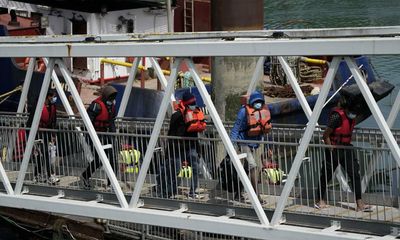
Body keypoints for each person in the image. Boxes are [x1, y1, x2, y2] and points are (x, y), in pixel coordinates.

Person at [315, 97, 372, 212]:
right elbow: (325, 135)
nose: (353, 114)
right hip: (334, 149)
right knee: (326, 175)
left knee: (355, 174)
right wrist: (331, 148)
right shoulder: (336, 116)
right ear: (346, 108)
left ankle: (359, 203)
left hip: (346, 148)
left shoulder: (353, 116)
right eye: (351, 111)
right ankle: (319, 199)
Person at [160, 91, 206, 198]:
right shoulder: (176, 116)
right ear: (185, 104)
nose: (193, 105)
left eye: (194, 103)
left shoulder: (195, 114)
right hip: (177, 147)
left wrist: (198, 150)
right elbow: (171, 133)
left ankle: (192, 191)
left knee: (195, 168)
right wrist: (168, 151)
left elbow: (195, 134)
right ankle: (169, 191)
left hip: (191, 146)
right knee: (175, 169)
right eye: (191, 103)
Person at [230, 90, 272, 201]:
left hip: (254, 143)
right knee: (253, 166)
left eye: (260, 102)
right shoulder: (243, 112)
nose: (258, 104)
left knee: (246, 169)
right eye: (256, 102)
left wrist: (268, 148)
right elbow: (236, 128)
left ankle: (238, 194)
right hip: (243, 142)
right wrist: (232, 145)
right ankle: (257, 197)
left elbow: (264, 129)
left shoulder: (262, 111)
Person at [80, 85, 118, 190]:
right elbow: (88, 122)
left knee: (113, 158)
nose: (112, 100)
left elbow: (111, 122)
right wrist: (91, 137)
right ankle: (85, 176)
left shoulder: (111, 107)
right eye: (110, 98)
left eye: (113, 98)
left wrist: (113, 135)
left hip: (106, 135)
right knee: (99, 159)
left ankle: (112, 183)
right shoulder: (96, 106)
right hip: (95, 136)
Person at [34, 89, 60, 184]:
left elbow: (54, 120)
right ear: (48, 97)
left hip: (47, 133)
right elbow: (32, 120)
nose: (54, 98)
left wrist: (53, 135)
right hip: (38, 134)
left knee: (45, 155)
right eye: (53, 96)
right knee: (43, 154)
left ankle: (39, 175)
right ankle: (48, 175)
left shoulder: (53, 106)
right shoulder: (38, 106)